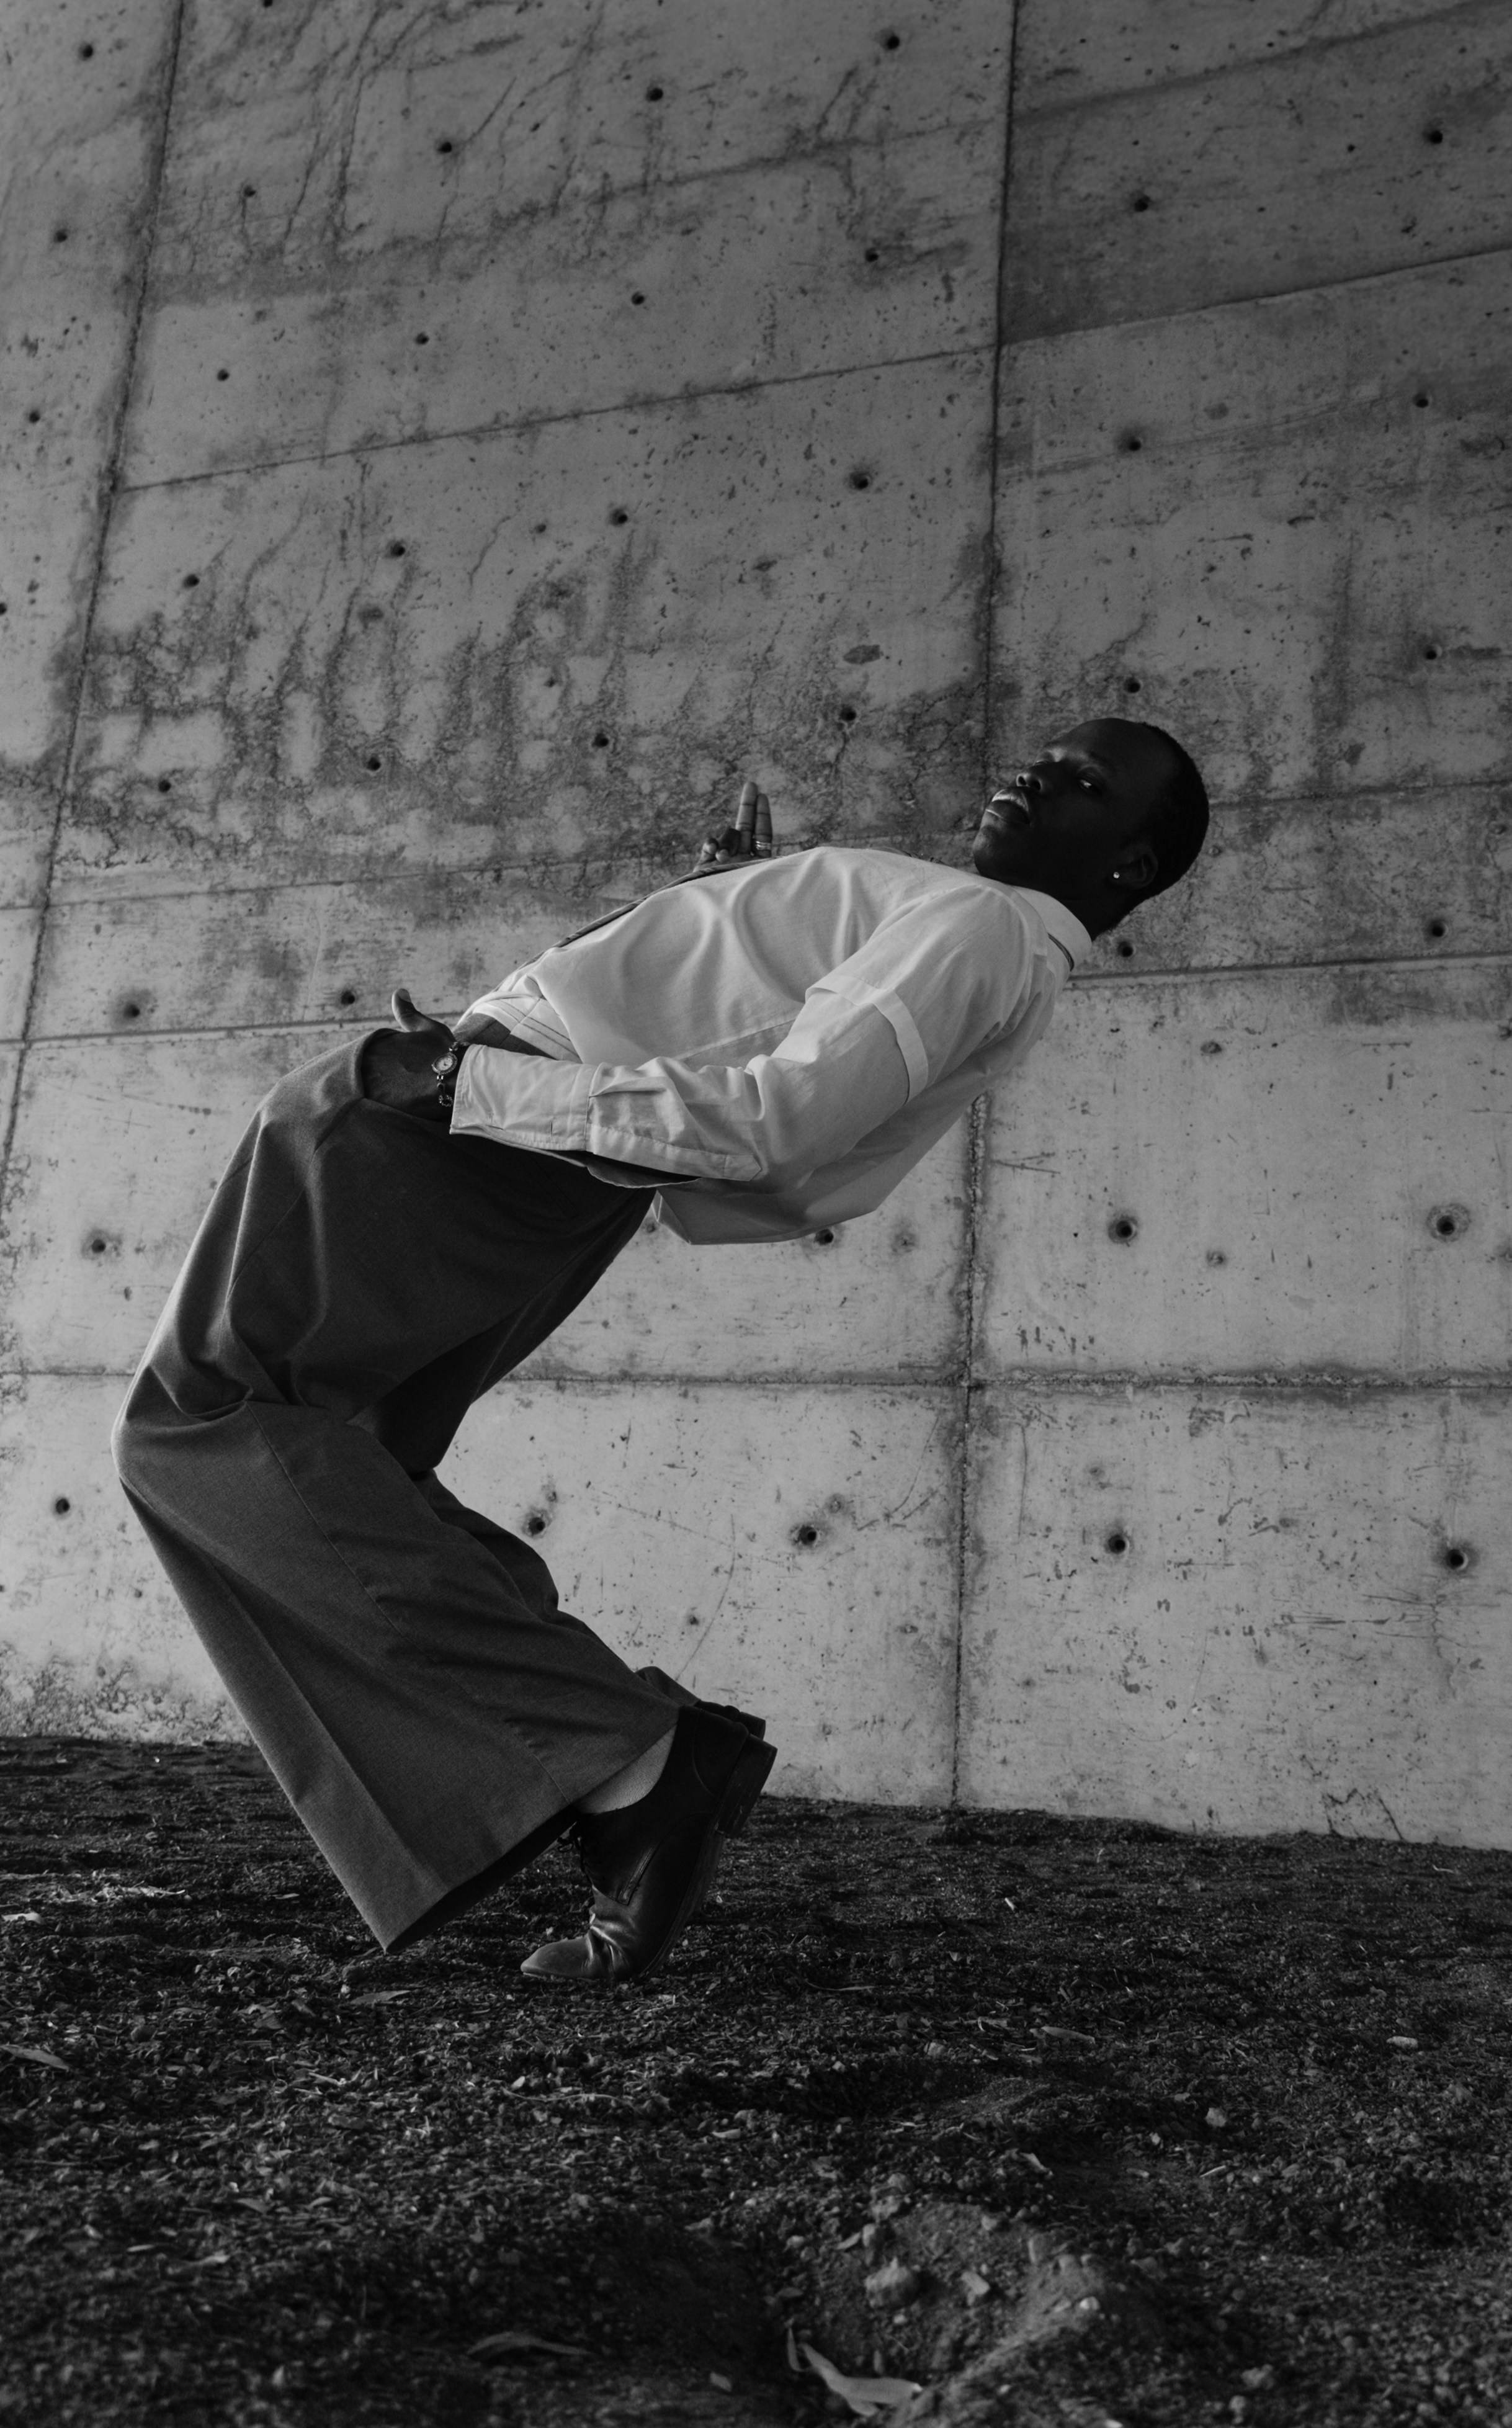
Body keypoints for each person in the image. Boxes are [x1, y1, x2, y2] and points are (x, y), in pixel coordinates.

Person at [111, 717, 1208, 1987]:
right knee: (349, 1461)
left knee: (200, 1428)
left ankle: (629, 1762)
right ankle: (627, 1763)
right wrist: (721, 904)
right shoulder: (978, 934)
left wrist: (466, 1086)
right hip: (529, 1153)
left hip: (473, 1125)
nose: (1029, 772)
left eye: (1080, 781)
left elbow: (781, 1125)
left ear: (1127, 866)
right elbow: (758, 1053)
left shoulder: (981, 928)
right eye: (1044, 754)